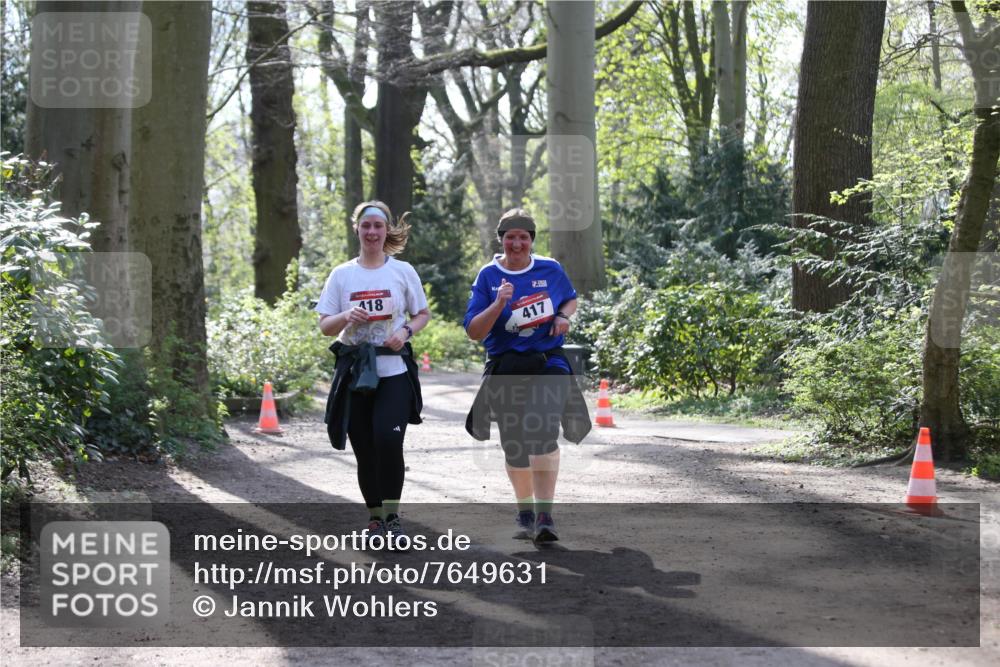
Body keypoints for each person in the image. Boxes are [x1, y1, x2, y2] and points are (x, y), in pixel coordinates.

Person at [464, 208, 591, 543]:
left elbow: (571, 299)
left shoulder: (550, 269)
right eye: (510, 237)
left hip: (549, 361)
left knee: (543, 431)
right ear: (501, 240)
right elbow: (474, 333)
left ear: (532, 240)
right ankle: (525, 514)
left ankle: (545, 516)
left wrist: (563, 316)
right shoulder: (488, 276)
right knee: (515, 447)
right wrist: (498, 303)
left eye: (523, 236)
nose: (517, 243)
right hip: (506, 366)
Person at [315, 200, 430, 542]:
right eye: (366, 226)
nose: (372, 232)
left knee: (388, 439)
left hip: (392, 370)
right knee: (364, 448)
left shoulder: (403, 271)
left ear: (387, 230)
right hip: (355, 372)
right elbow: (325, 325)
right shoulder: (342, 274)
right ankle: (375, 519)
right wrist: (346, 316)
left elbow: (421, 313)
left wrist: (405, 332)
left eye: (378, 226)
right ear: (357, 230)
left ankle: (393, 517)